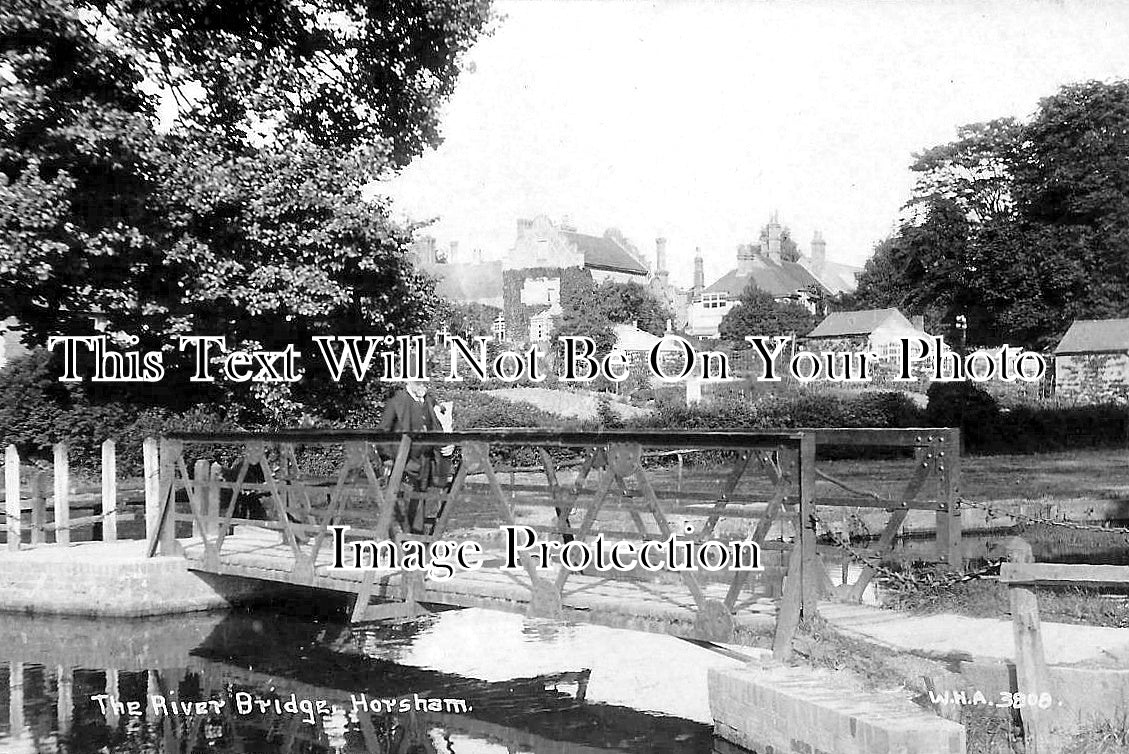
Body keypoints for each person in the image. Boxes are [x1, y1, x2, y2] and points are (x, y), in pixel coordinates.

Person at [377, 380, 453, 533]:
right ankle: (400, 543)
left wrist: (448, 444)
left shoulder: (429, 401)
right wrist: (388, 459)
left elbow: (437, 428)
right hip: (403, 462)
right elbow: (382, 433)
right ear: (409, 381)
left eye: (425, 383)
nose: (423, 386)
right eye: (419, 382)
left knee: (419, 503)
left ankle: (415, 544)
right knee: (402, 504)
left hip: (424, 461)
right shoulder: (396, 401)